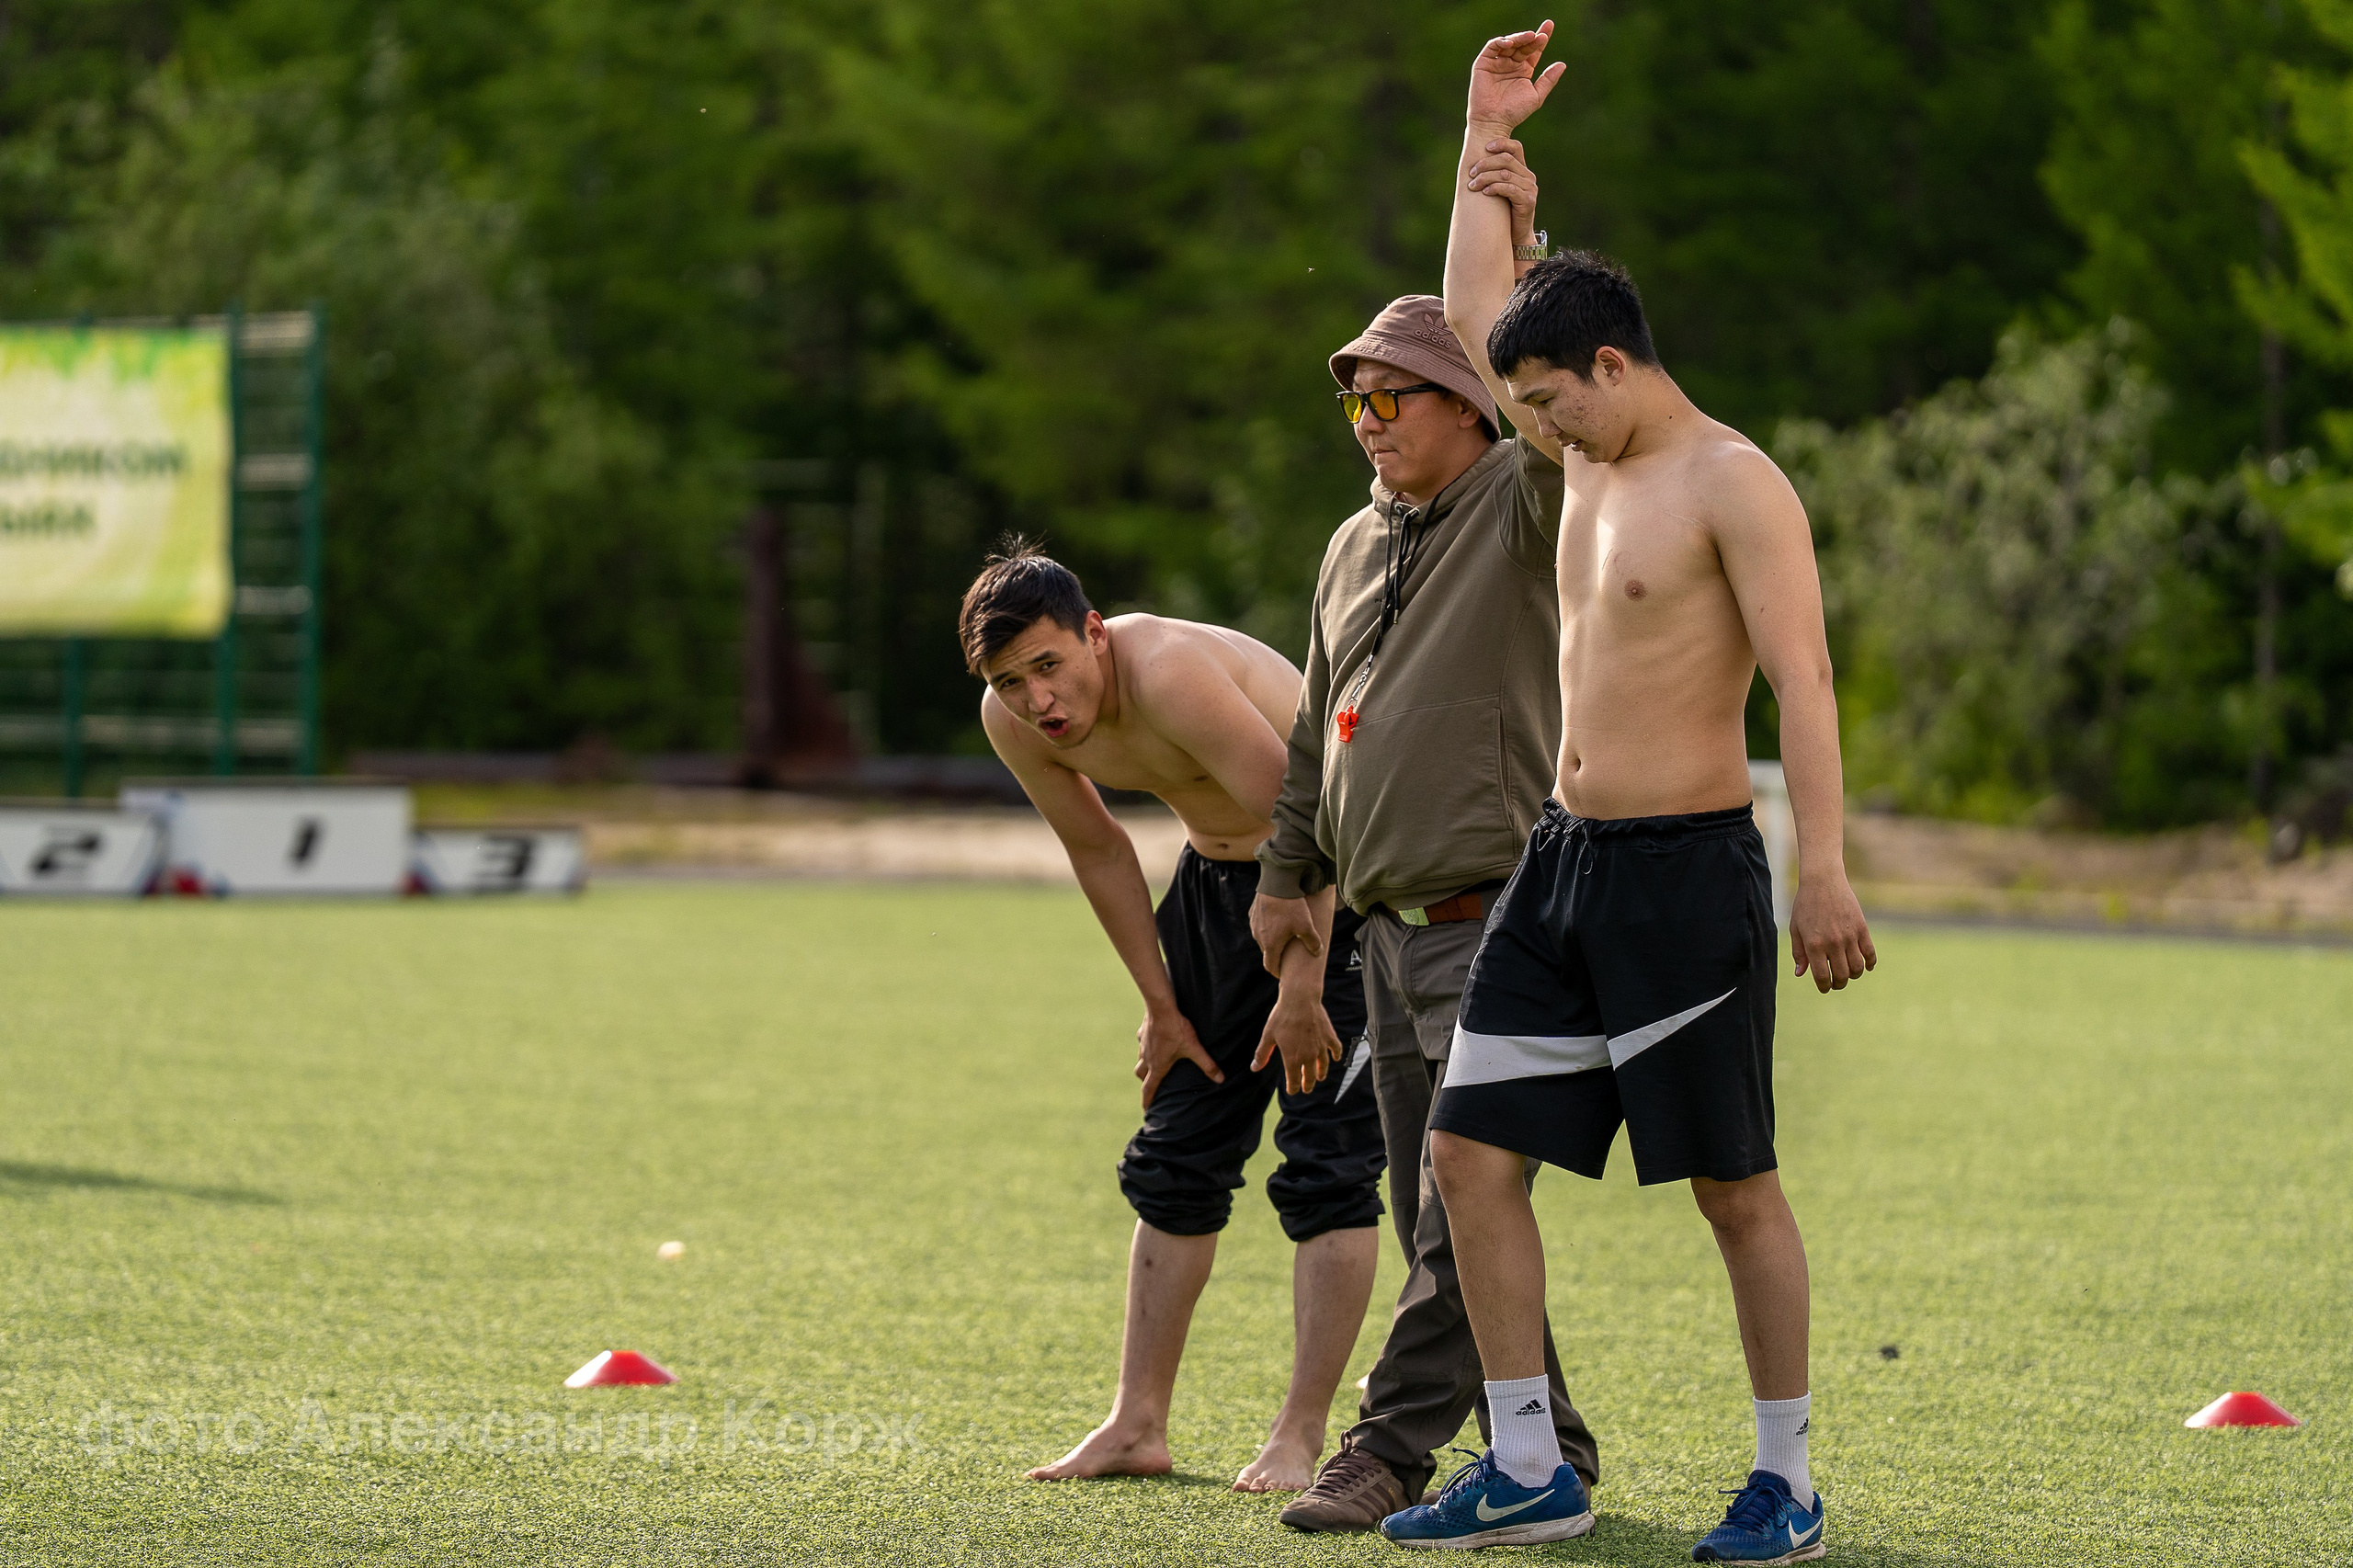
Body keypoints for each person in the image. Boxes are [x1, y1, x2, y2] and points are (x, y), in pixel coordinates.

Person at [1372, 24, 1878, 1559]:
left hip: (1690, 870)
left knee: (1731, 1187)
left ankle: (1784, 1477)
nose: (1531, 423)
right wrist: (1482, 142)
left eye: (1547, 396)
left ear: (1613, 364)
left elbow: (1807, 678)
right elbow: (1474, 315)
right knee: (1467, 1158)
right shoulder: (1577, 454)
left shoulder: (1734, 480)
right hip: (1561, 864)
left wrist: (1828, 869)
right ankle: (1529, 1464)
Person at [1250, 290, 1603, 1528]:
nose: (1367, 421)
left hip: (1497, 915)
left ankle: (1388, 1449)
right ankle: (1548, 1436)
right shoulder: (1353, 542)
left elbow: (1557, 415)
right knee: (1441, 1206)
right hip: (1385, 931)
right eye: (1355, 400)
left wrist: (1504, 192)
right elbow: (1313, 731)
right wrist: (1287, 879)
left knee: (1461, 1198)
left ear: (1474, 402)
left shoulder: (1523, 501)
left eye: (1391, 395)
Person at [961, 543, 1385, 1493]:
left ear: (1094, 635)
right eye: (1008, 680)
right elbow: (1098, 847)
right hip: (1213, 895)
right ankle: (1135, 1420)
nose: (1037, 699)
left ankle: (1299, 1431)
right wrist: (1160, 1003)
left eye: (1047, 665)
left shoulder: (1169, 674)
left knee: (1326, 1162)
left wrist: (1305, 982)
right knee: (1177, 1150)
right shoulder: (1013, 720)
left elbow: (1310, 821)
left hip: (1338, 885)